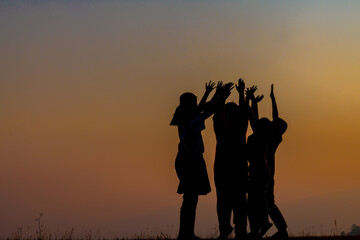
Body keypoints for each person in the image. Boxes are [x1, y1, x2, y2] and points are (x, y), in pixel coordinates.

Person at [170, 81, 216, 240]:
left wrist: (208, 93)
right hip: (190, 160)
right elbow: (203, 113)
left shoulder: (183, 114)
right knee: (190, 198)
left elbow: (199, 110)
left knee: (190, 197)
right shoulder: (188, 120)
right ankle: (186, 233)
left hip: (187, 158)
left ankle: (186, 233)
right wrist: (218, 96)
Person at [213, 79, 249, 240]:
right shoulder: (240, 131)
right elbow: (243, 114)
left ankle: (225, 229)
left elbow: (218, 117)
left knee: (223, 201)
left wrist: (222, 97)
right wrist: (241, 93)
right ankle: (240, 230)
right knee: (240, 200)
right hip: (239, 168)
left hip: (222, 168)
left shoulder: (222, 131)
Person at [246, 86, 273, 239]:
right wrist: (253, 102)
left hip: (259, 170)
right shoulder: (261, 136)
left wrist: (250, 100)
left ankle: (261, 224)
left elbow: (253, 119)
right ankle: (258, 227)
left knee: (255, 202)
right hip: (259, 170)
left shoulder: (260, 137)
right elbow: (255, 118)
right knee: (255, 201)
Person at [266, 84, 288, 239]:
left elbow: (274, 116)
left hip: (266, 172)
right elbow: (274, 118)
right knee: (268, 202)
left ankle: (282, 229)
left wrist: (272, 99)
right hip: (269, 171)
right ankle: (281, 229)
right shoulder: (274, 137)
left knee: (268, 202)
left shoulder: (273, 138)